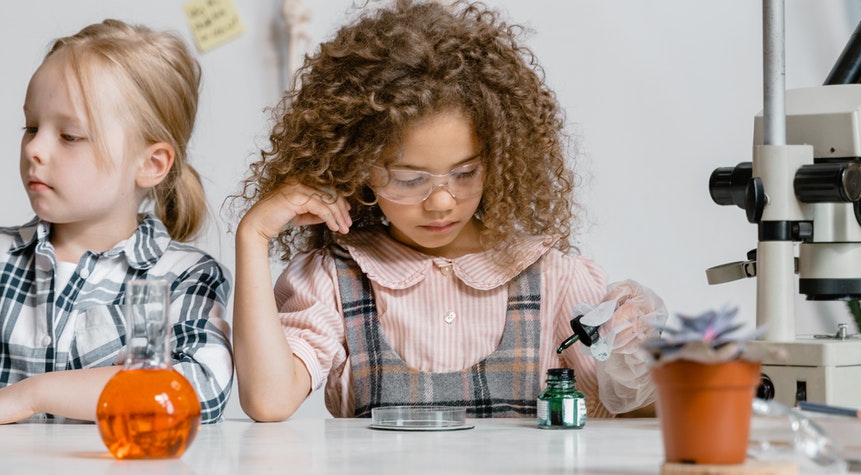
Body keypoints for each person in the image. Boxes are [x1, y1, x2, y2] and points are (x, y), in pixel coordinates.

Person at [233, 0, 666, 422]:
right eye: (408, 179)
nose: (441, 202)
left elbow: (630, 408)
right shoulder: (334, 280)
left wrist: (635, 350)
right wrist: (252, 237)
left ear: (496, 161)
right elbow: (269, 401)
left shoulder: (552, 278)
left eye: (464, 173)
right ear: (358, 168)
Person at [0, 19, 231, 425]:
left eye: (69, 136)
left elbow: (198, 391)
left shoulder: (184, 278)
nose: (34, 147)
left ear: (151, 164)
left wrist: (34, 394)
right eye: (31, 127)